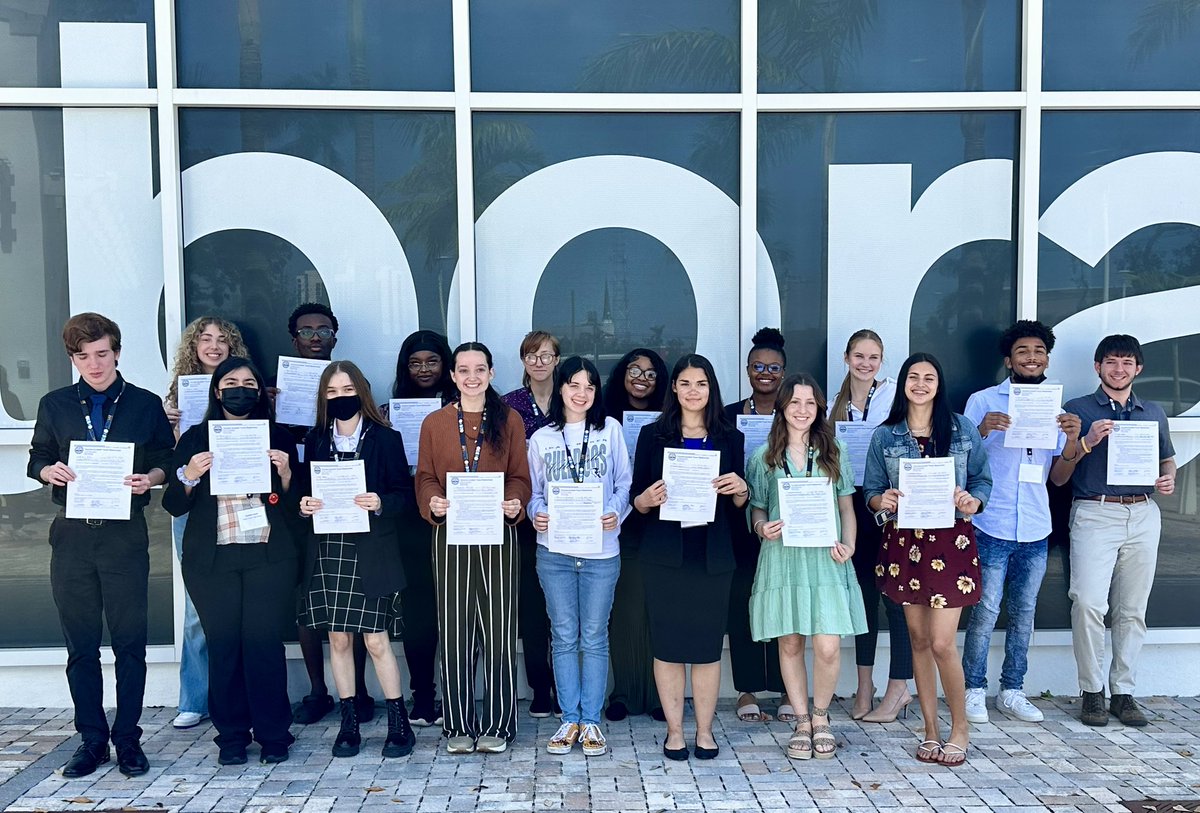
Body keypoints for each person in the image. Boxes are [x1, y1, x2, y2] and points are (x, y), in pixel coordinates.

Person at [27, 313, 174, 778]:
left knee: (130, 643)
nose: (94, 364)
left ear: (117, 351)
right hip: (71, 539)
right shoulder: (54, 404)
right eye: (83, 356)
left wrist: (147, 480)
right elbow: (38, 456)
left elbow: (164, 460)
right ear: (73, 358)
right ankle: (91, 740)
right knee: (81, 647)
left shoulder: (144, 404)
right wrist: (48, 471)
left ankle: (128, 739)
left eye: (102, 354)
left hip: (123, 538)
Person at [163, 356, 299, 766]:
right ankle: (232, 738)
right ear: (217, 391)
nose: (241, 389)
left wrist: (288, 474)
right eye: (231, 382)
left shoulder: (278, 435)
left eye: (249, 383)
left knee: (263, 645)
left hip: (268, 555)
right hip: (212, 559)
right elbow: (172, 504)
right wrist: (189, 474)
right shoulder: (194, 437)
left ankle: (275, 735)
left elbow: (295, 507)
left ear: (259, 391)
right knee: (224, 648)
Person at [864, 352, 991, 766]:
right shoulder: (886, 436)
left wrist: (973, 501)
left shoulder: (963, 429)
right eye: (913, 377)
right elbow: (872, 490)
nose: (921, 384)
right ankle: (931, 731)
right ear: (903, 384)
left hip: (951, 544)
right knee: (918, 640)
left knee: (941, 643)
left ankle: (960, 729)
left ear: (939, 384)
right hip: (904, 545)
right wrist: (881, 501)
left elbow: (982, 480)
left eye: (929, 377)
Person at [629, 354, 749, 761]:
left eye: (701, 383)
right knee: (667, 646)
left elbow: (741, 506)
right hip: (665, 556)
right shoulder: (652, 435)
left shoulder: (730, 438)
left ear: (711, 389)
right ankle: (675, 731)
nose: (693, 391)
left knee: (706, 648)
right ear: (674, 389)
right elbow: (638, 498)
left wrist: (741, 491)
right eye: (685, 383)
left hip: (712, 556)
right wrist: (644, 500)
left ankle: (705, 731)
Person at [962, 321, 1082, 724]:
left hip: (1035, 526)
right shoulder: (983, 401)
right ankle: (973, 689)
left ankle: (1012, 689)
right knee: (985, 610)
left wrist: (1072, 444)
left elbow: (1059, 478)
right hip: (990, 523)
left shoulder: (1059, 410)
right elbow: (960, 465)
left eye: (1038, 351)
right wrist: (982, 430)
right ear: (1008, 359)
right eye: (1023, 351)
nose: (1031, 357)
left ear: (1047, 358)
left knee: (1024, 612)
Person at [416, 342, 532, 755]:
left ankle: (499, 724)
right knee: (455, 632)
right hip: (450, 534)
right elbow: (426, 476)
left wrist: (515, 501)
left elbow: (520, 476)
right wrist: (433, 501)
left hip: (498, 534)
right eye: (463, 369)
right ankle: (459, 724)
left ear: (491, 372)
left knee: (499, 630)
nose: (471, 376)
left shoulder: (510, 420)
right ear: (452, 375)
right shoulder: (434, 422)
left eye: (479, 369)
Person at [298, 361, 416, 758]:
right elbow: (302, 492)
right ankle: (348, 724)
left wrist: (382, 501)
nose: (340, 398)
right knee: (338, 638)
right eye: (331, 392)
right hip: (328, 548)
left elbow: (405, 494)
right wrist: (304, 505)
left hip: (372, 550)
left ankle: (399, 724)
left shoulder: (385, 438)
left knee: (377, 640)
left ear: (361, 392)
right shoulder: (315, 440)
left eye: (347, 390)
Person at [747, 373, 867, 759]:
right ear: (782, 407)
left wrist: (849, 544)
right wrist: (761, 526)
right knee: (791, 641)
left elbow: (847, 507)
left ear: (819, 408)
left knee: (829, 646)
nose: (802, 410)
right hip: (783, 557)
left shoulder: (836, 451)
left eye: (810, 403)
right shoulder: (763, 456)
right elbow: (758, 507)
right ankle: (801, 719)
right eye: (795, 402)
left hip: (826, 557)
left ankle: (821, 715)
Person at [1063, 334, 1175, 727]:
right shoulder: (1077, 409)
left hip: (1143, 513)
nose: (1119, 369)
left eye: (1127, 362)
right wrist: (1087, 441)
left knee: (1132, 609)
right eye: (1111, 361)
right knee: (1089, 603)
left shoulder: (1153, 412)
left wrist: (1168, 480)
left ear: (1138, 368)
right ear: (1098, 367)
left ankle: (1123, 692)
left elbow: (1167, 461)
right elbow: (1059, 471)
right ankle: (1092, 691)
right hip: (1096, 511)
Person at [527, 356, 632, 757]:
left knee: (594, 635)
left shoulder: (610, 430)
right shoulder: (542, 439)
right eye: (573, 384)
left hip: (601, 552)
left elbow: (624, 480)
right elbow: (536, 491)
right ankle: (568, 718)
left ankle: (592, 721)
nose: (581, 393)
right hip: (554, 551)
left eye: (589, 386)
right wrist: (538, 513)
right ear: (560, 388)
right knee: (564, 635)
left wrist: (616, 512)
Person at [280, 303, 374, 727]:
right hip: (302, 502)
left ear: (335, 335)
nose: (315, 337)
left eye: (323, 330)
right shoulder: (273, 389)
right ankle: (318, 691)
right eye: (306, 331)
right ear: (293, 337)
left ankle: (358, 692)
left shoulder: (347, 385)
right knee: (308, 601)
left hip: (347, 511)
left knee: (350, 602)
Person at [163, 316, 250, 730]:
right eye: (206, 339)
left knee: (244, 603)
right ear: (192, 346)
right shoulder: (178, 394)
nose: (214, 346)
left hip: (242, 505)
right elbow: (169, 465)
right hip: (196, 508)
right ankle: (194, 698)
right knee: (198, 608)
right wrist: (172, 431)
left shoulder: (248, 390)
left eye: (223, 340)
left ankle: (234, 697)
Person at [827, 329, 913, 723]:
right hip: (852, 507)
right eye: (858, 356)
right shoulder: (833, 405)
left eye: (873, 357)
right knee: (862, 598)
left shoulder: (896, 396)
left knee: (896, 598)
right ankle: (865, 687)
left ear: (882, 361)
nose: (865, 363)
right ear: (846, 358)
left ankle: (900, 685)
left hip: (890, 505)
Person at [723, 328, 789, 724]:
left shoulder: (798, 411)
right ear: (748, 370)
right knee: (743, 601)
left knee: (784, 599)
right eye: (758, 366)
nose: (765, 373)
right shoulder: (729, 413)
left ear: (784, 372)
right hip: (740, 521)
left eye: (774, 367)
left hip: (788, 520)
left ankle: (785, 685)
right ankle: (747, 687)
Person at [389, 329, 453, 728]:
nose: (424, 369)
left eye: (432, 361)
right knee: (419, 610)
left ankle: (458, 694)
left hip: (459, 511)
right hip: (411, 518)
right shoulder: (387, 410)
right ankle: (423, 696)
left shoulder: (463, 405)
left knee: (458, 609)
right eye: (415, 363)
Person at [601, 348, 668, 723]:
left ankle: (661, 694)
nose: (641, 379)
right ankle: (624, 692)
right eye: (633, 371)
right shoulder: (604, 419)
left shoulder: (670, 421)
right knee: (624, 612)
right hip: (617, 522)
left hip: (661, 521)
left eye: (650, 373)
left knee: (657, 610)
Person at [502, 330, 560, 717]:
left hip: (570, 516)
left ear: (558, 359)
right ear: (522, 361)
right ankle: (541, 687)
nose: (538, 362)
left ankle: (568, 686)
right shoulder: (508, 405)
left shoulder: (572, 398)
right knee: (533, 606)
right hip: (523, 518)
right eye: (531, 355)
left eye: (546, 355)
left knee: (565, 607)